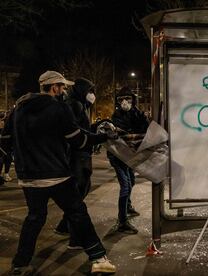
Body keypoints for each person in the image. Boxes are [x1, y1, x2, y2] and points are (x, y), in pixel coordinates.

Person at [1, 71, 116, 274]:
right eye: (62, 87)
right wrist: (101, 137)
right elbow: (78, 140)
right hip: (56, 174)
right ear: (54, 87)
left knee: (35, 218)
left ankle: (20, 264)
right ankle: (98, 257)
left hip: (28, 177)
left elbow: (5, 140)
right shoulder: (59, 108)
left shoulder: (18, 108)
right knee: (78, 213)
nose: (64, 91)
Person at [54, 78, 101, 249]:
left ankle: (64, 226)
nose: (92, 94)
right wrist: (97, 136)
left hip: (79, 154)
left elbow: (83, 128)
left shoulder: (79, 105)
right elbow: (76, 132)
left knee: (80, 192)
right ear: (82, 90)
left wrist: (96, 128)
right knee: (78, 196)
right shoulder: (75, 105)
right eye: (89, 90)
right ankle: (75, 239)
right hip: (78, 156)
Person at [107, 87, 149, 234]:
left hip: (129, 155)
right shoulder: (117, 115)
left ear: (133, 100)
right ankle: (122, 221)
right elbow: (123, 130)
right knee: (125, 185)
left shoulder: (136, 113)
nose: (124, 102)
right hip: (118, 155)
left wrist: (141, 116)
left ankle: (128, 205)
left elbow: (144, 127)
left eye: (128, 99)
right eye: (121, 100)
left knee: (131, 181)